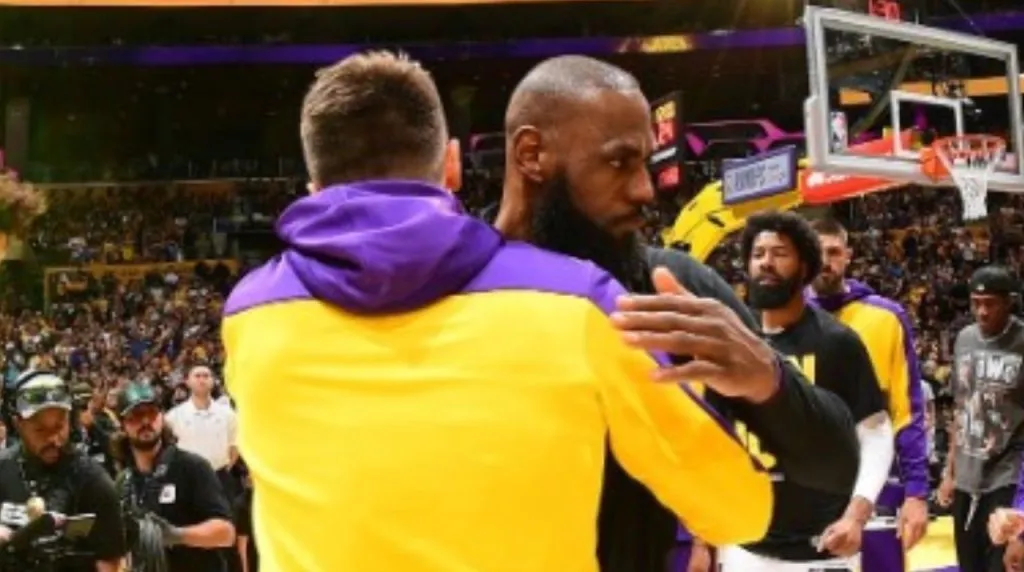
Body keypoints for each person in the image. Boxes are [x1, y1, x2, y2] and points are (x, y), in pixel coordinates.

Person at [222, 50, 775, 572]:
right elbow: (738, 512)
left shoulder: (248, 314)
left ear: (314, 187)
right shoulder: (581, 301)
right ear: (454, 166)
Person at [491, 54, 860, 572]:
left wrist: (767, 378)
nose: (645, 189)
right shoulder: (457, 288)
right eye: (619, 162)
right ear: (532, 154)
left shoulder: (674, 289)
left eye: (646, 163)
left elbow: (836, 465)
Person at [695, 211, 890, 571]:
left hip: (823, 546)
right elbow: (712, 439)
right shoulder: (734, 342)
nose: (766, 263)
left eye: (779, 253)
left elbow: (875, 433)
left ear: (804, 267)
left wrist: (857, 515)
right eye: (758, 254)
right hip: (745, 546)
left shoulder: (838, 342)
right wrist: (700, 537)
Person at [807, 218, 931, 569]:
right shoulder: (785, 317)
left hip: (878, 483)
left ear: (848, 255)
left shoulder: (886, 318)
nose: (825, 261)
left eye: (833, 252)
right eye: (817, 253)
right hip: (807, 485)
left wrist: (917, 492)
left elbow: (908, 411)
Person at [937, 265, 1024, 572]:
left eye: (991, 303)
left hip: (1008, 475)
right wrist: (950, 472)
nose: (982, 311)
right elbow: (961, 409)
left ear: (1009, 301)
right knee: (969, 566)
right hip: (967, 475)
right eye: (976, 302)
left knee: (1002, 566)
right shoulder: (964, 339)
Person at [0, 370, 126, 572]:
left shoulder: (93, 479)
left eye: (60, 426)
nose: (53, 439)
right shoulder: (3, 467)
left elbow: (109, 561)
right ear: (18, 424)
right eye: (40, 430)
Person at [115, 381, 235, 572]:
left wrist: (177, 535)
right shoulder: (124, 481)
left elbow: (226, 533)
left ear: (162, 418)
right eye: (136, 415)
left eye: (152, 413)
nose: (146, 421)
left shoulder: (192, 467)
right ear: (122, 424)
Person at [165, 366, 239, 506]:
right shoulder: (174, 416)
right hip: (188, 480)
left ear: (213, 381)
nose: (202, 380)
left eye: (206, 376)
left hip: (220, 477)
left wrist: (221, 470)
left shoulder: (228, 414)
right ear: (187, 381)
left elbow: (234, 448)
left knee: (224, 524)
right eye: (197, 376)